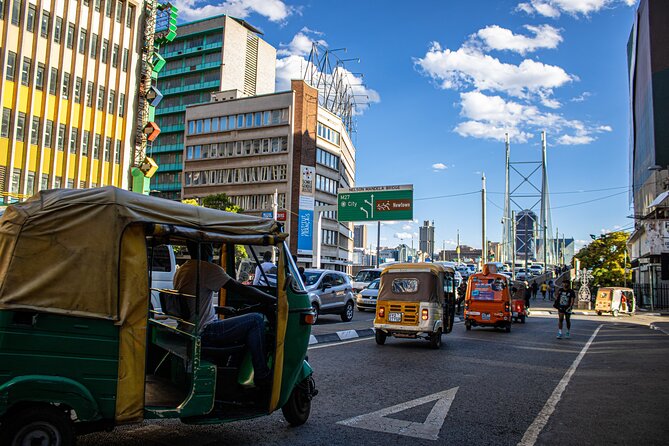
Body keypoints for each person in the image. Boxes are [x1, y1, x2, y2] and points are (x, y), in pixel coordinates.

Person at [174, 242, 276, 387]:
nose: (212, 250)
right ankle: (262, 374)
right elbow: (240, 288)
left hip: (189, 329)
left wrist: (220, 309)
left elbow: (193, 304)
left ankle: (233, 371)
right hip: (205, 331)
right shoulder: (206, 269)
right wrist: (273, 299)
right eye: (209, 246)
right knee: (255, 320)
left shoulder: (183, 269)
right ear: (205, 249)